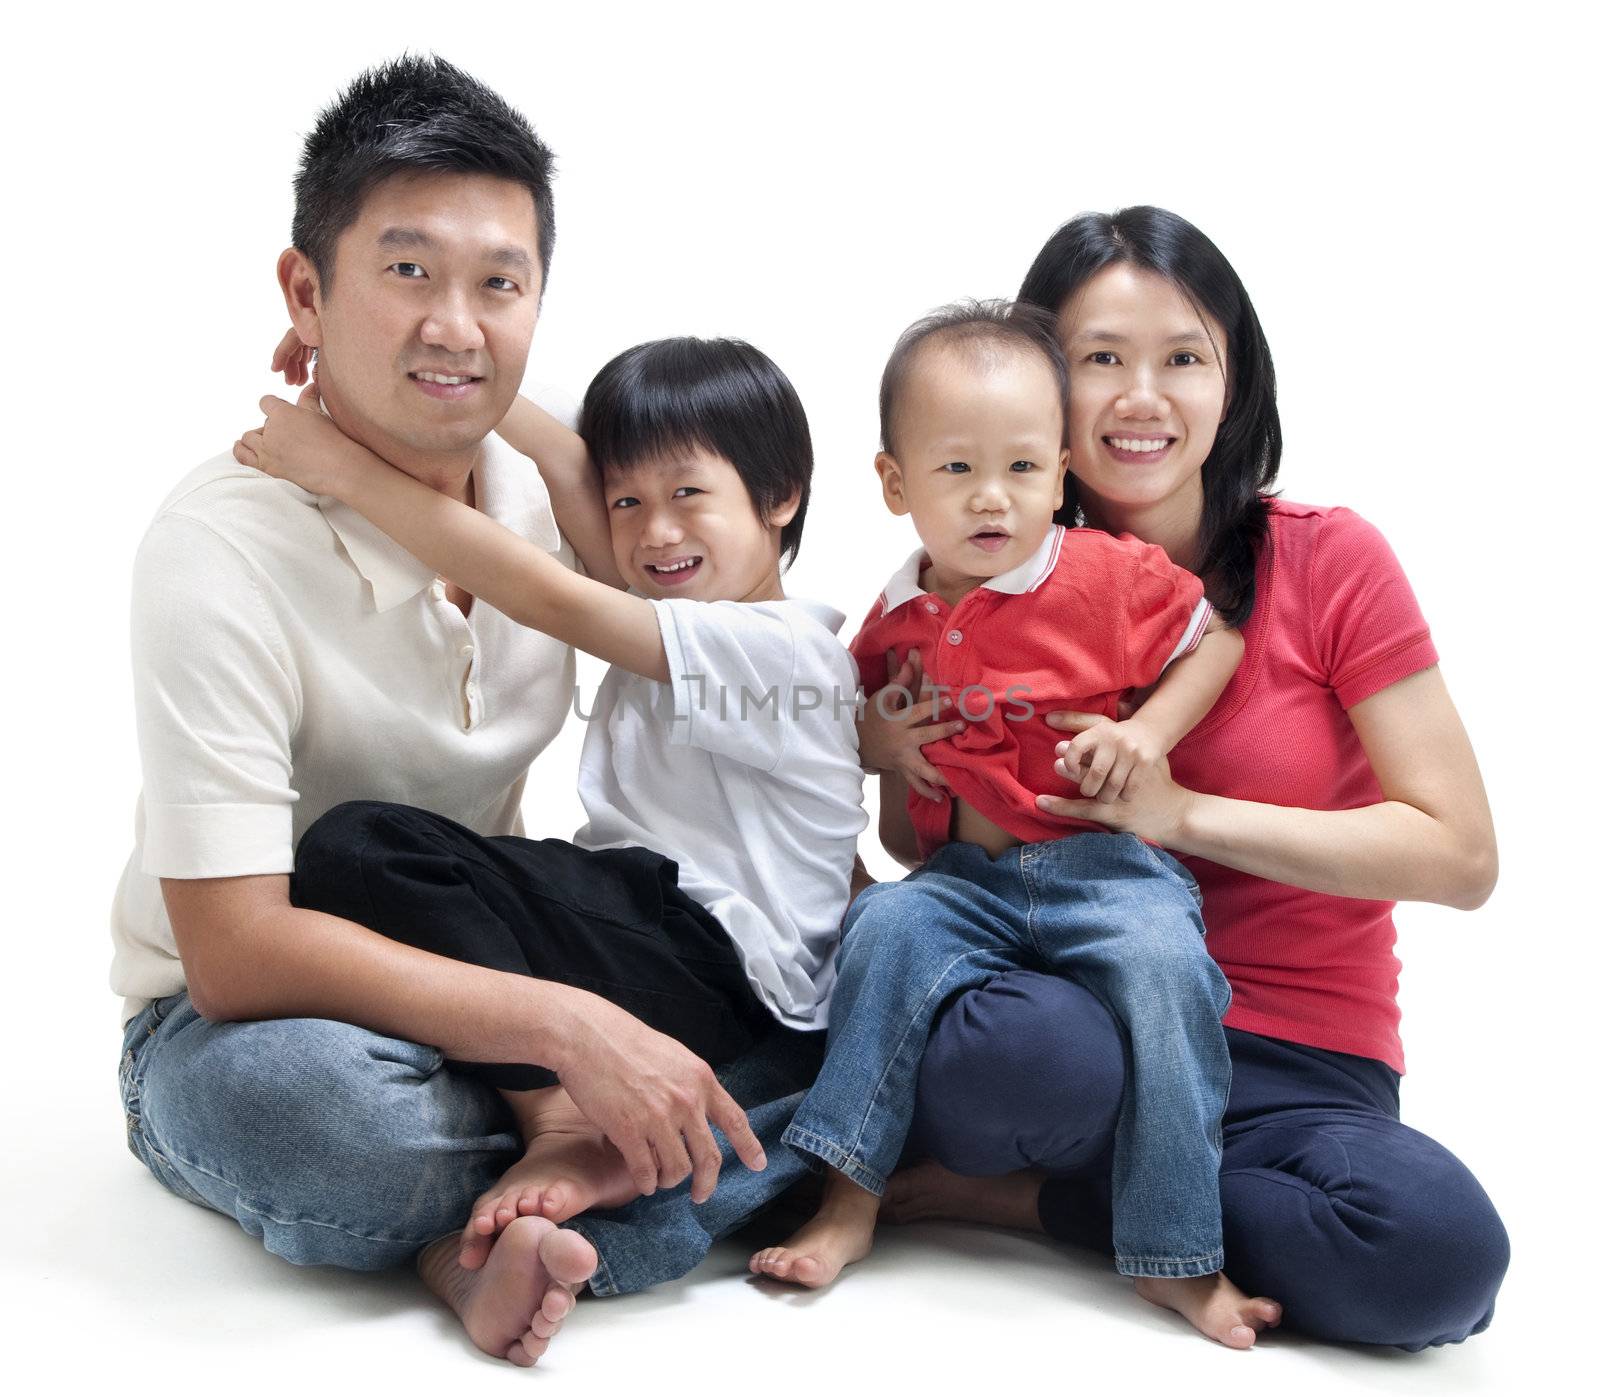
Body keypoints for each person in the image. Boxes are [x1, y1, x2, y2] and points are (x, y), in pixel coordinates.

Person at [114, 57, 772, 1369]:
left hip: (487, 944)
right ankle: (667, 1148)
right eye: (407, 273)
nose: (456, 326)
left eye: (500, 283)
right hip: (260, 1011)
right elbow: (239, 949)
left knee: (804, 959)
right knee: (331, 1124)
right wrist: (568, 1029)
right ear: (306, 292)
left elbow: (718, 625)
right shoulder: (216, 545)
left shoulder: (552, 504)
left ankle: (568, 1166)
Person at [868, 207, 1508, 1350]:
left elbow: (1457, 855)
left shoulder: (1329, 559)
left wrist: (1181, 814)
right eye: (1099, 359)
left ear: (1234, 379)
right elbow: (931, 853)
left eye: (1182, 358)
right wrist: (892, 756)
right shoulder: (969, 563)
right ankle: (1116, 1182)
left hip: (1297, 1060)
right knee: (1009, 1058)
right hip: (1086, 1033)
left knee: (1434, 1259)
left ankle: (1047, 1200)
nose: (1140, 397)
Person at [236, 334, 867, 1324]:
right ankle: (496, 1236)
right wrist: (416, 365)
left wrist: (342, 468)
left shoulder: (781, 651)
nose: (655, 532)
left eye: (690, 495)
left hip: (715, 959)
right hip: (649, 932)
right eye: (631, 505)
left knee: (363, 848)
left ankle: (564, 1118)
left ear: (780, 495)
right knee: (368, 893)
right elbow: (574, 463)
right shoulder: (679, 601)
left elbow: (544, 591)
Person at [746, 301, 1279, 1349]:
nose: (994, 500)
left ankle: (1178, 1250)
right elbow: (845, 735)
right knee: (882, 933)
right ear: (895, 483)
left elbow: (1212, 640)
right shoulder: (893, 620)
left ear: (1063, 469)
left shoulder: (1104, 575)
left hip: (1104, 869)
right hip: (963, 880)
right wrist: (879, 746)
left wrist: (1151, 734)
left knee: (1170, 963)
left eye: (1024, 469)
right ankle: (849, 1198)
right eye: (955, 472)